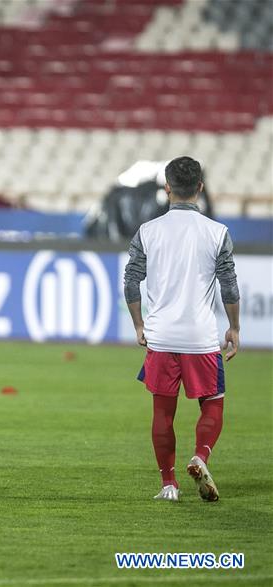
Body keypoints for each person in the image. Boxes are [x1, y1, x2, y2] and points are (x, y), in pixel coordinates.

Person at [123, 156, 239, 503]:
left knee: (163, 412)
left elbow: (131, 281)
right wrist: (234, 328)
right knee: (213, 405)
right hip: (201, 337)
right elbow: (229, 286)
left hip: (161, 337)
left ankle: (168, 485)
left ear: (167, 188)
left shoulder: (148, 231)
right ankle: (200, 456)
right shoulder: (217, 233)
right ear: (200, 189)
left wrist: (139, 324)